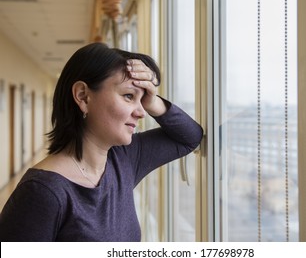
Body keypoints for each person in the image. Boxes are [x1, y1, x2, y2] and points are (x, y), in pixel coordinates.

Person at [0, 43, 203, 241]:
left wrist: (154, 101)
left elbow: (190, 137)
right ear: (83, 96)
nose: (141, 112)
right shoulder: (42, 192)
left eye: (142, 101)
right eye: (128, 96)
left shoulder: (123, 159)